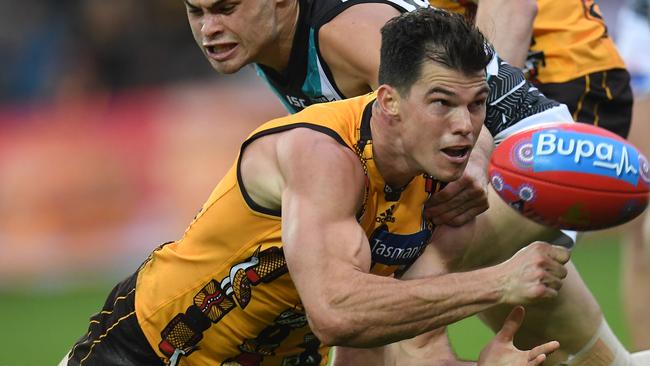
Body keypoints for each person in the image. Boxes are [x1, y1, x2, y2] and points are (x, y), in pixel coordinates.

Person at [60, 9, 569, 365]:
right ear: (388, 101)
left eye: (477, 105)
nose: (466, 126)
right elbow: (335, 312)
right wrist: (497, 282)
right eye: (441, 103)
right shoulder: (322, 153)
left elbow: (381, 343)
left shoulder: (446, 200)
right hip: (147, 352)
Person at [184, 0, 650, 364]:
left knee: (378, 297)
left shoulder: (344, 31)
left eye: (225, 9)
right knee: (583, 357)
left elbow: (459, 93)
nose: (210, 29)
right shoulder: (273, 42)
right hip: (501, 147)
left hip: (528, 148)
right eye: (197, 12)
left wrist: (476, 157)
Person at [429, 1, 650, 364]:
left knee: (424, 242)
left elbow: (512, 7)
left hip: (555, 82)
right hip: (514, 79)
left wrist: (478, 126)